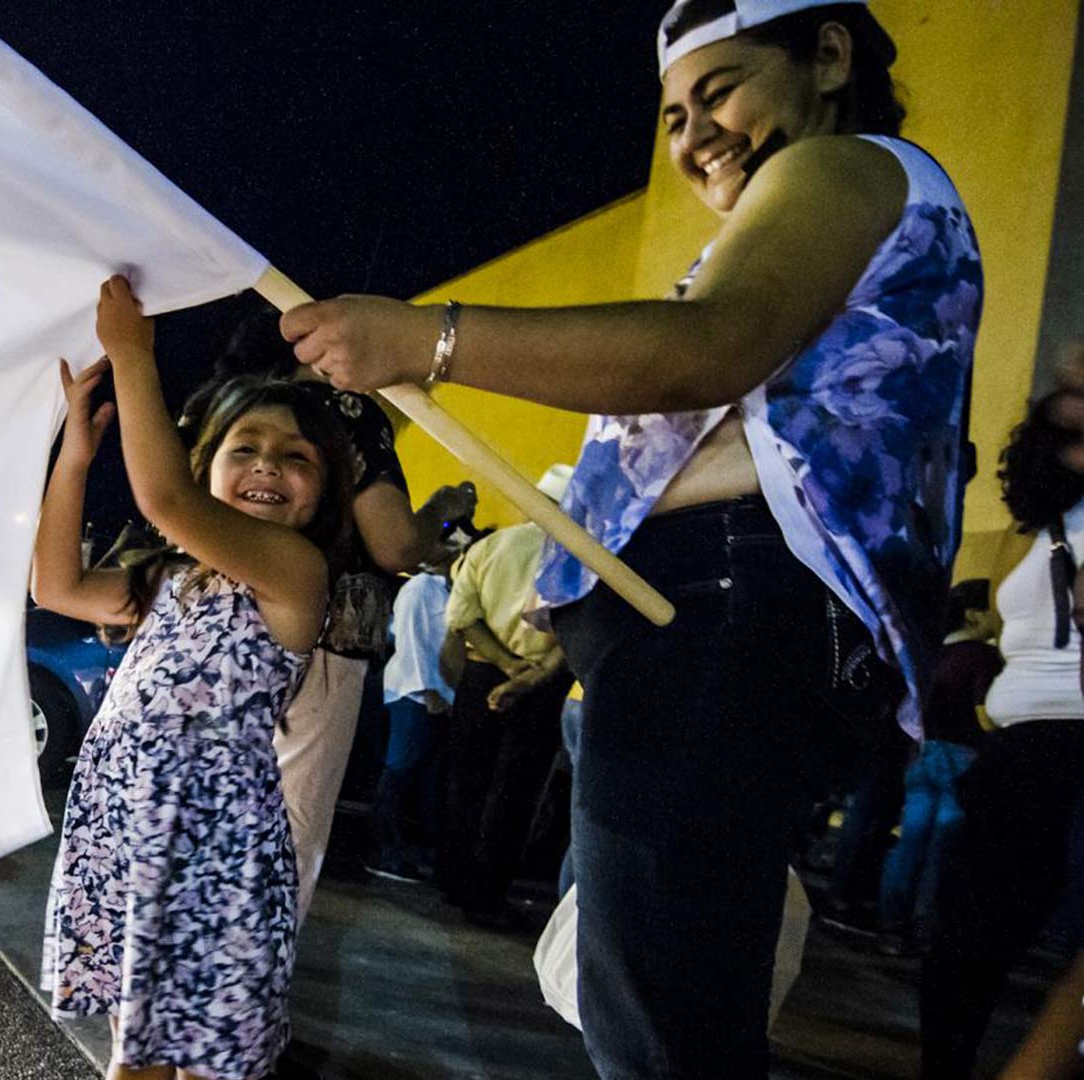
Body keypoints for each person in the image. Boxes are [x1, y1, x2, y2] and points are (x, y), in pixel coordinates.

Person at [278, 2, 980, 1073]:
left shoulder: (837, 168)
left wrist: (428, 337)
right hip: (715, 621)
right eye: (671, 115)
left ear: (829, 56)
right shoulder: (818, 207)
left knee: (660, 1036)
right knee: (660, 999)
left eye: (723, 89)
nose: (694, 134)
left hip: (727, 612)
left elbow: (706, 349)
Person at [33, 276, 354, 1080]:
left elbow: (166, 497)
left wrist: (133, 353)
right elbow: (56, 587)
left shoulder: (294, 572)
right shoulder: (173, 577)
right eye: (244, 448)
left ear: (322, 496)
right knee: (136, 1051)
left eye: (294, 457)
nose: (266, 466)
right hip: (137, 835)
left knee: (210, 1060)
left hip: (213, 847)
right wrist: (75, 455)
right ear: (211, 462)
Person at [185, 313, 476, 917]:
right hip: (321, 639)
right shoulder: (344, 415)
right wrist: (438, 515)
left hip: (213, 624)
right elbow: (395, 544)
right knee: (285, 831)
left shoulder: (234, 409)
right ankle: (241, 981)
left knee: (201, 810)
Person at [921, 396, 1084, 1078]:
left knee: (974, 937)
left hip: (1059, 746)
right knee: (969, 939)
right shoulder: (1038, 529)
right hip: (1021, 746)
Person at [435, 466, 575, 927]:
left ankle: (453, 882)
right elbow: (574, 631)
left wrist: (503, 663)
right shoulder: (576, 557)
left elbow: (463, 618)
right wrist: (525, 673)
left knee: (466, 780)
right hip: (541, 683)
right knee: (516, 792)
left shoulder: (492, 546)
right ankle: (487, 893)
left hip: (480, 675)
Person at [875, 579, 1000, 952]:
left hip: (924, 751)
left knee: (909, 841)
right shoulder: (982, 657)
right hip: (961, 756)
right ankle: (922, 928)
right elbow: (984, 714)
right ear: (975, 614)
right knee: (941, 848)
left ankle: (890, 923)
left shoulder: (933, 650)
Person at [367, 508, 475, 882]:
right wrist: (426, 689)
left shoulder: (444, 589)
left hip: (432, 694)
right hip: (414, 693)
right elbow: (410, 642)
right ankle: (385, 851)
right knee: (399, 770)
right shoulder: (421, 588)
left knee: (418, 774)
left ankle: (405, 849)